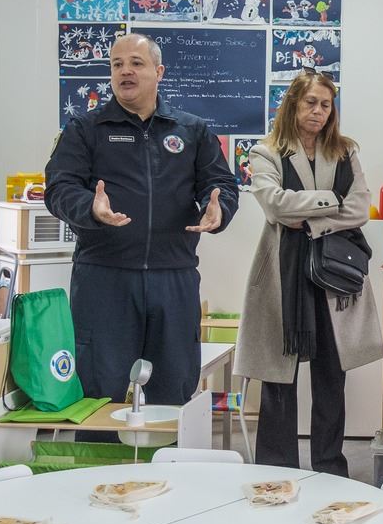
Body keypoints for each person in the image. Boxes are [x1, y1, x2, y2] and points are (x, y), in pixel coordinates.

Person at [44, 33, 240, 407]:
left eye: (136, 63)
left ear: (158, 72)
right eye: (117, 64)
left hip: (174, 276)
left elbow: (220, 184)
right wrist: (90, 208)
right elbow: (58, 188)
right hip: (104, 279)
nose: (125, 71)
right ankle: (98, 450)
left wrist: (218, 209)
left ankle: (169, 448)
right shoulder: (85, 129)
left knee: (175, 391)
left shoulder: (191, 130)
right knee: (97, 392)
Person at [237, 71, 381, 474]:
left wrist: (308, 217)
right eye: (310, 103)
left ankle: (329, 467)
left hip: (335, 276)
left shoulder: (345, 150)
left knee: (332, 377)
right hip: (283, 277)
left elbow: (359, 209)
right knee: (278, 378)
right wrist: (332, 200)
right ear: (293, 104)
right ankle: (276, 468)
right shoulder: (266, 151)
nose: (318, 111)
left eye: (325, 105)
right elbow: (274, 204)